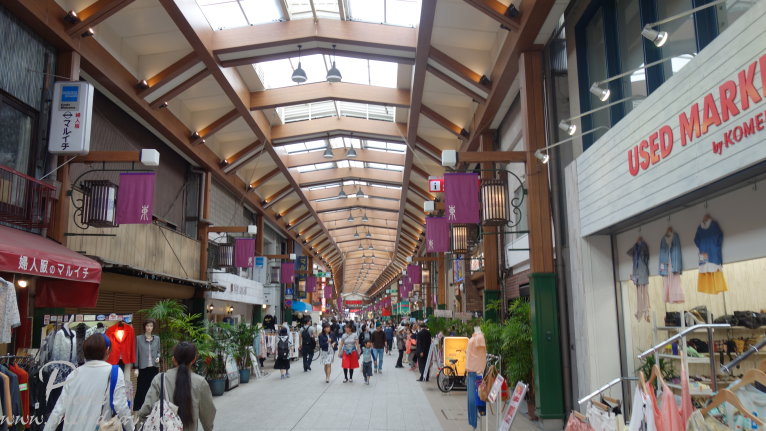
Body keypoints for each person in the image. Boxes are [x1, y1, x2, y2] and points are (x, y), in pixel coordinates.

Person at [45, 334, 135, 431]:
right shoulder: (115, 372)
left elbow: (58, 410)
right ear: (107, 350)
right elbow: (121, 407)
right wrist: (131, 428)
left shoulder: (73, 374)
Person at [138, 342, 215, 431]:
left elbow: (145, 410)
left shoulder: (160, 379)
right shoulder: (200, 383)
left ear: (173, 359)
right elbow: (208, 415)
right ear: (194, 360)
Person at [134, 319, 160, 411]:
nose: (149, 328)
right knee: (141, 390)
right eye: (147, 326)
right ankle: (138, 410)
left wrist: (158, 357)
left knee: (153, 389)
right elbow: (136, 353)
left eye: (151, 326)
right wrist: (136, 368)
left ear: (153, 327)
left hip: (154, 368)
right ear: (144, 327)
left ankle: (152, 409)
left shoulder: (157, 339)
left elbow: (158, 351)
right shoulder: (138, 339)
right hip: (143, 368)